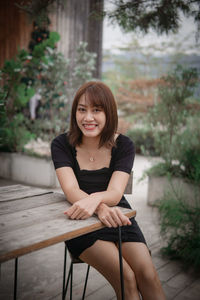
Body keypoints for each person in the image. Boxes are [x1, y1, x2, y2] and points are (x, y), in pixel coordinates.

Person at [51, 81, 166, 300]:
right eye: (82, 109)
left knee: (148, 275)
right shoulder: (61, 144)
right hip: (81, 221)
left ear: (109, 113)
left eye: (96, 110)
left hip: (118, 214)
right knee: (127, 278)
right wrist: (100, 208)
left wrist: (100, 204)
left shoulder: (124, 145)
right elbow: (71, 189)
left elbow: (115, 192)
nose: (88, 118)